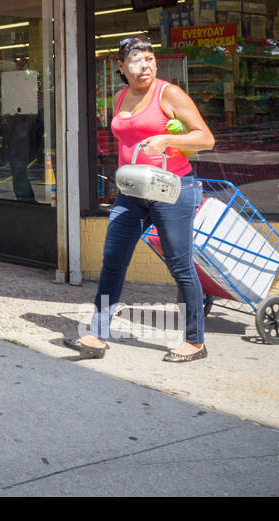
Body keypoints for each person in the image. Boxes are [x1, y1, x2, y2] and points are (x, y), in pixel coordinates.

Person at [65, 35, 215, 363]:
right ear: (121, 67)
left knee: (180, 265)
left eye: (148, 59)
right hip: (133, 191)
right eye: (135, 60)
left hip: (172, 188)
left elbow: (206, 138)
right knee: (113, 261)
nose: (144, 66)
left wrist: (165, 138)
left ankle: (195, 341)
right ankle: (97, 335)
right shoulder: (121, 97)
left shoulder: (169, 93)